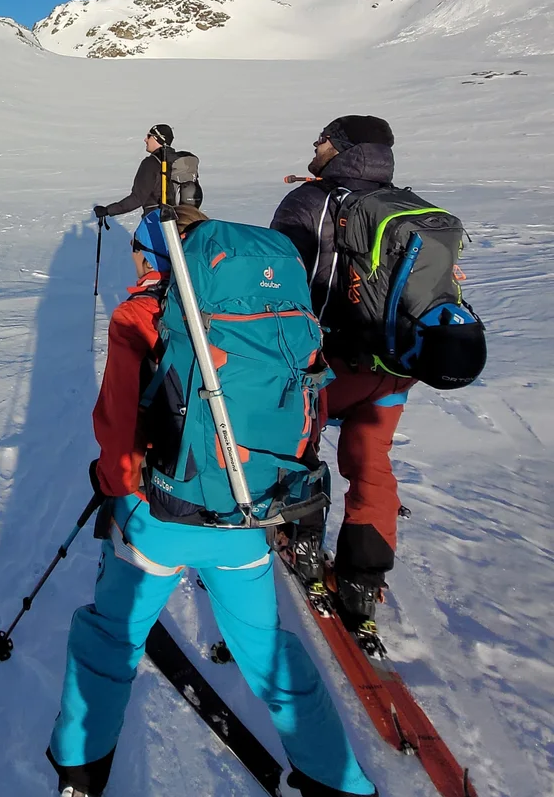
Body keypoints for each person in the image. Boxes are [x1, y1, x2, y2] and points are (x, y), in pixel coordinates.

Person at [47, 212, 375, 797]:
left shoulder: (140, 316)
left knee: (111, 638)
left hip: (159, 522)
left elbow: (118, 438)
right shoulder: (268, 318)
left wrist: (111, 484)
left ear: (151, 258)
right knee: (267, 648)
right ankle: (339, 782)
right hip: (247, 518)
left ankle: (79, 770)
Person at [271, 114, 412, 653]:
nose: (315, 144)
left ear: (343, 148)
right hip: (397, 367)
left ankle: (303, 545)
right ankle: (362, 582)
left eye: (323, 138)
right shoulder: (406, 205)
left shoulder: (310, 202)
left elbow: (279, 285)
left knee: (298, 449)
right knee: (372, 465)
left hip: (329, 362)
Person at [92, 125, 192, 220]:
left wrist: (108, 210)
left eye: (149, 136)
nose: (145, 140)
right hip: (184, 218)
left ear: (157, 138)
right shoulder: (180, 162)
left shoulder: (151, 163)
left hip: (157, 220)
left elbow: (137, 198)